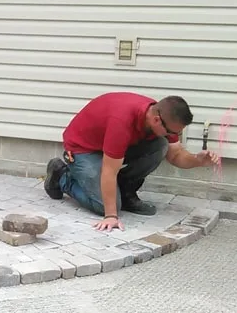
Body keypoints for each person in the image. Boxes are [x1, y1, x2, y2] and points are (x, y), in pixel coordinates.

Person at [43, 92, 219, 232]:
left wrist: (198, 160)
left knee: (161, 145)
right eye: (171, 131)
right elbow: (109, 170)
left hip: (110, 145)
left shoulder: (164, 118)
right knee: (104, 205)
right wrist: (111, 215)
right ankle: (62, 177)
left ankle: (125, 193)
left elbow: (176, 155)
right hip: (83, 148)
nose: (172, 135)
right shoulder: (122, 122)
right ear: (157, 120)